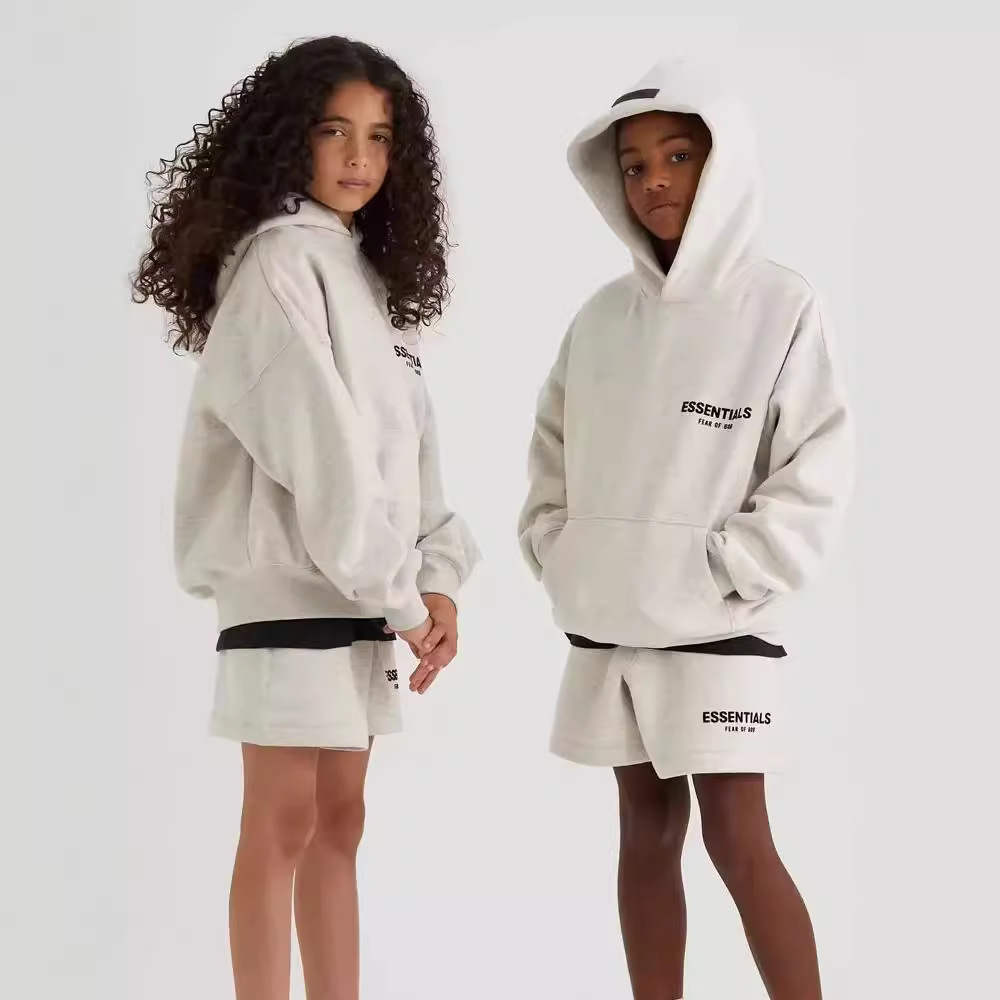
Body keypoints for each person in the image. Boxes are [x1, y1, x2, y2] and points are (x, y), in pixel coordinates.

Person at [132, 35, 479, 1000]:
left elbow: (413, 454)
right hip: (290, 590)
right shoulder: (279, 262)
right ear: (291, 140)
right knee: (282, 819)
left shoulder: (368, 280)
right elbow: (319, 456)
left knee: (340, 821)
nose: (360, 157)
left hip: (363, 592)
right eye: (335, 131)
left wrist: (438, 581)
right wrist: (403, 596)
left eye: (380, 136)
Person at [518, 59, 853, 1000]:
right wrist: (563, 553)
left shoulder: (781, 304)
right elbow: (551, 454)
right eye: (633, 165)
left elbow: (817, 464)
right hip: (609, 617)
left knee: (739, 840)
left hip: (716, 621)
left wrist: (728, 569)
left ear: (724, 163)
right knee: (645, 833)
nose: (654, 180)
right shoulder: (600, 319)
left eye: (678, 157)